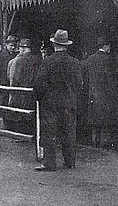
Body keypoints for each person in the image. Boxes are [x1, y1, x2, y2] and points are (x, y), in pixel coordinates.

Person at [33, 29, 82, 171]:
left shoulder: (47, 62)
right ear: (66, 45)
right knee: (69, 132)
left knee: (49, 133)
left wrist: (39, 97)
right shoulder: (75, 63)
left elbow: (39, 84)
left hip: (51, 104)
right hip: (69, 103)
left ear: (54, 45)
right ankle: (69, 162)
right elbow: (79, 85)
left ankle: (49, 163)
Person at [84, 36, 118, 148]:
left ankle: (95, 140)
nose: (110, 48)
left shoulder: (90, 59)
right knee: (105, 119)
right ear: (105, 46)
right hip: (106, 93)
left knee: (95, 119)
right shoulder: (109, 59)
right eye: (109, 46)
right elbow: (112, 78)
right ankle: (105, 142)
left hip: (93, 93)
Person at [4, 38, 41, 135]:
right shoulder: (38, 60)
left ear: (23, 49)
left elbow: (13, 79)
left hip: (20, 94)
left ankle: (21, 135)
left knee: (20, 115)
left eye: (20, 48)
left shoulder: (17, 61)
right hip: (33, 94)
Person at [0, 35, 19, 130]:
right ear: (6, 45)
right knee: (4, 105)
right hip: (4, 85)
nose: (13, 47)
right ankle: (6, 126)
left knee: (12, 105)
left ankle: (11, 126)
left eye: (15, 45)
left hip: (12, 85)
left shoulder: (16, 55)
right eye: (11, 45)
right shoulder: (1, 56)